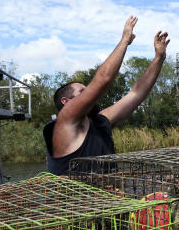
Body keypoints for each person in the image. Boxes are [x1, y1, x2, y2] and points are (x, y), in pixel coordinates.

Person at [44, 16, 170, 175]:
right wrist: (124, 41)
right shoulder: (64, 123)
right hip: (76, 200)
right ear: (66, 101)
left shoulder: (100, 121)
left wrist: (159, 58)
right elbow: (102, 80)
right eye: (82, 92)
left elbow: (136, 94)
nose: (90, 94)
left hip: (110, 198)